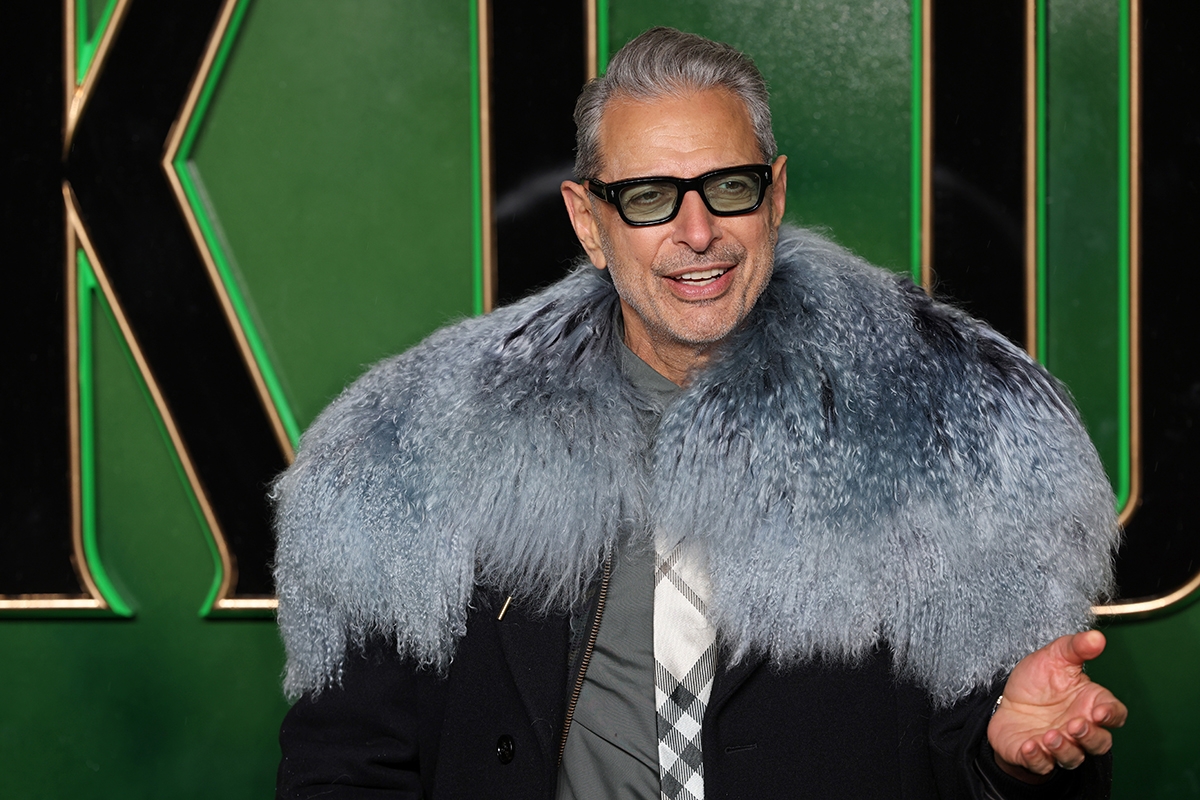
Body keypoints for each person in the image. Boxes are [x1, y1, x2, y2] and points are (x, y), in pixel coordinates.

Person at [273, 27, 1126, 799]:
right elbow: (347, 763)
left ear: (776, 195)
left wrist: (1011, 763)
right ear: (589, 222)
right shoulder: (427, 439)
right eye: (648, 197)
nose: (697, 232)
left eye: (728, 187)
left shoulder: (943, 426)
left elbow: (1003, 740)